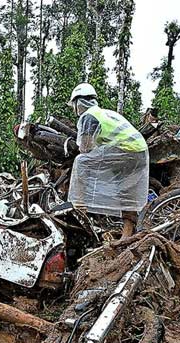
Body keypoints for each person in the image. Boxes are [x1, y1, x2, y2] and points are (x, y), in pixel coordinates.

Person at [66, 83, 150, 239]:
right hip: (139, 152)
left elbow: (85, 148)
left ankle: (79, 206)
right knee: (126, 194)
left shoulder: (89, 116)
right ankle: (127, 236)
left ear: (79, 102)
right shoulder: (105, 113)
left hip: (126, 150)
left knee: (81, 161)